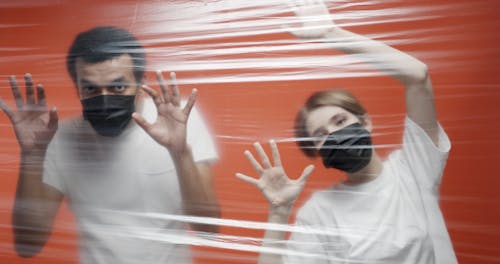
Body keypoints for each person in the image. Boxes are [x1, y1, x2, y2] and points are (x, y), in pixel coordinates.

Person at [236, 1, 457, 263]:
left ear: (365, 122)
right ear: (317, 152)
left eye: (340, 121)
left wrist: (331, 34)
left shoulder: (413, 170)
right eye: (320, 135)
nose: (333, 135)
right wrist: (278, 211)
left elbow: (417, 75)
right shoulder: (320, 212)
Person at [0, 26, 220, 264]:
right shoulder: (59, 138)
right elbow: (28, 245)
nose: (104, 99)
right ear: (77, 89)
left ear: (141, 83)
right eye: (91, 89)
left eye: (117, 87)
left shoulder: (179, 120)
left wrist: (179, 153)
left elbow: (207, 228)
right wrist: (32, 155)